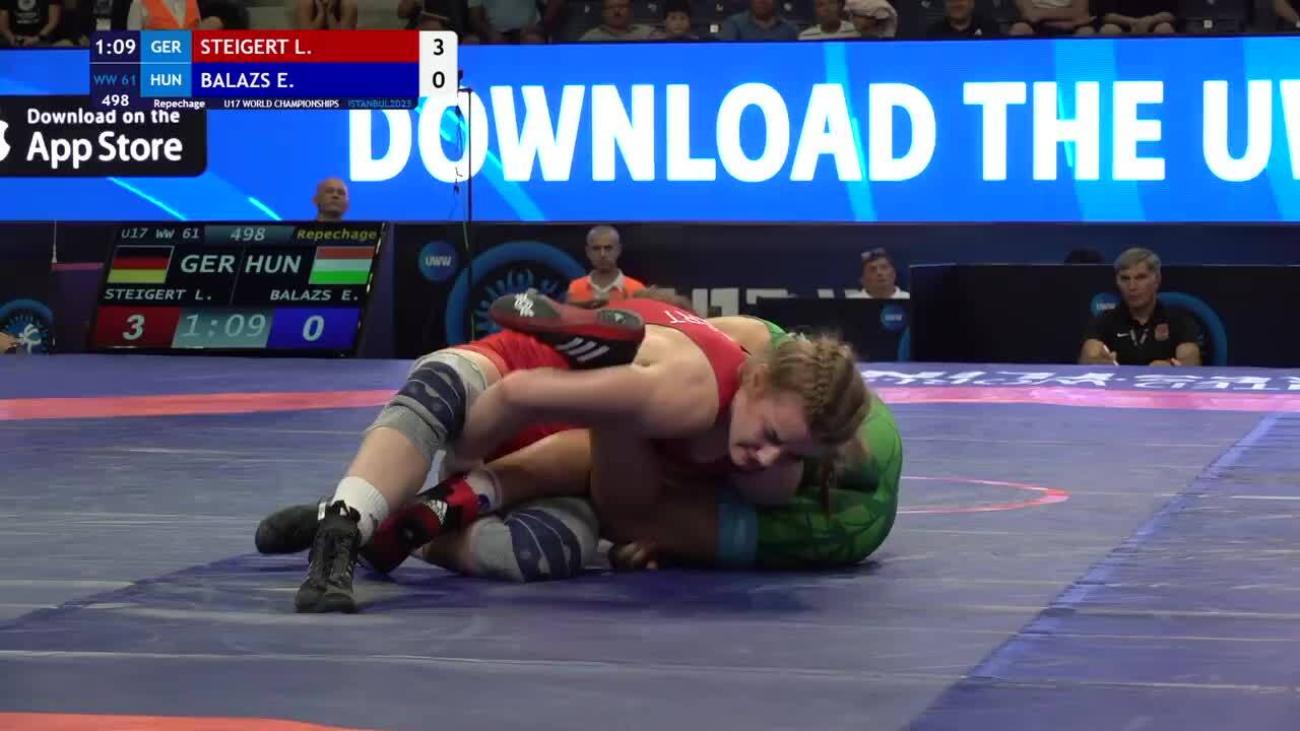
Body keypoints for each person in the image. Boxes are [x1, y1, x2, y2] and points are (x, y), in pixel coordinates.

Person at [272, 289, 869, 612]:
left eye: (791, 453)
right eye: (771, 437)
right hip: (513, 381)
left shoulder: (761, 373)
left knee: (538, 552)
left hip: (571, 458)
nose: (766, 457)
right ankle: (349, 520)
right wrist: (462, 461)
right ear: (757, 380)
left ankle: (395, 523)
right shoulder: (687, 395)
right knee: (439, 390)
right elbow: (520, 395)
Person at [1079, 247, 1203, 367]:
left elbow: (1190, 361)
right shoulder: (1104, 321)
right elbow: (1087, 358)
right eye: (1125, 278)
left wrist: (1170, 367)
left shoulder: (1178, 321)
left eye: (1140, 278)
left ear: (1157, 280)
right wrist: (1099, 363)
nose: (1132, 286)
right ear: (1117, 281)